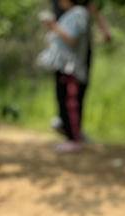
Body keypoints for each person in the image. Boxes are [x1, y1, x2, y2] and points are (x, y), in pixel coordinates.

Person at [37, 0, 91, 152]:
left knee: (71, 104)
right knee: (63, 102)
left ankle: (75, 139)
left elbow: (72, 40)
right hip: (62, 67)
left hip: (71, 68)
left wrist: (54, 26)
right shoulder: (69, 15)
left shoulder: (79, 12)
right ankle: (70, 136)